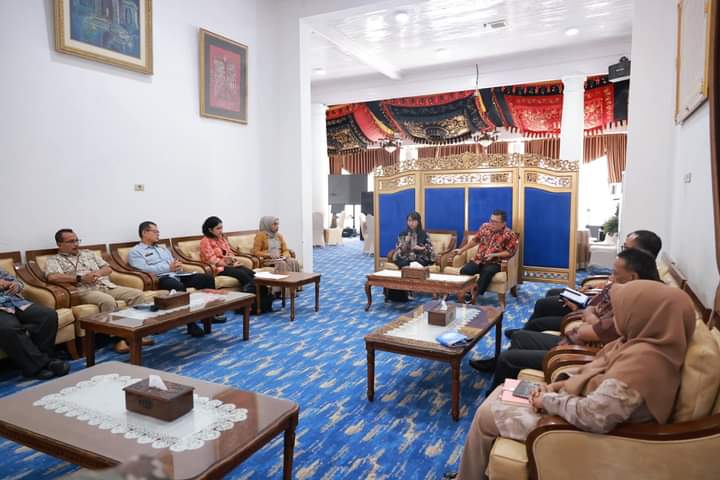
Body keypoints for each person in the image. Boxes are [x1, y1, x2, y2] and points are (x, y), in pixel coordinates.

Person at [446, 280, 696, 479]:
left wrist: (548, 400)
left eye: (624, 310)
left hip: (578, 431)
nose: (618, 315)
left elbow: (594, 416)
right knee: (504, 390)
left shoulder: (645, 364)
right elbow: (593, 373)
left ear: (643, 315)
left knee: (486, 413)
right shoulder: (639, 344)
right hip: (571, 405)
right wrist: (555, 386)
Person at [472, 248, 662, 387]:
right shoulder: (632, 291)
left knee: (509, 357)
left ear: (632, 277)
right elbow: (596, 309)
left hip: (581, 351)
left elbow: (592, 330)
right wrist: (590, 311)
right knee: (521, 336)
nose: (610, 277)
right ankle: (498, 366)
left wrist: (588, 313)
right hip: (576, 334)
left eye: (614, 273)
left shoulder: (636, 305)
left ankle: (495, 394)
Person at [518, 229, 663, 333]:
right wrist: (590, 290)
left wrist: (581, 309)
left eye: (626, 248)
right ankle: (526, 331)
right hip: (591, 303)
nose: (623, 251)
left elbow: (606, 324)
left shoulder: (638, 289)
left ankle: (526, 332)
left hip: (589, 314)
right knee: (550, 297)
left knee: (543, 309)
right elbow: (607, 289)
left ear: (642, 252)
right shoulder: (634, 272)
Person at [45, 229, 149, 353]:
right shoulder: (54, 260)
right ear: (59, 244)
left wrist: (97, 273)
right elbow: (53, 277)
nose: (76, 244)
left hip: (106, 285)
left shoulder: (88, 253)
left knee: (137, 294)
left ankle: (136, 334)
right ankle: (118, 339)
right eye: (71, 241)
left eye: (77, 240)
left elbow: (108, 268)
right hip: (84, 290)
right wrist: (80, 278)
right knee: (108, 301)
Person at [128, 221, 215, 337]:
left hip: (177, 275)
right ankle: (190, 324)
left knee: (207, 279)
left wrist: (178, 266)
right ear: (144, 233)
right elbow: (144, 269)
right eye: (155, 232)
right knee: (178, 287)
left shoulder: (162, 249)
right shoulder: (136, 252)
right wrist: (168, 268)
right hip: (161, 279)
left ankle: (208, 316)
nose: (158, 234)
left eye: (158, 232)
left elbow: (173, 262)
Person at [0, 268, 70, 380]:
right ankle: (39, 367)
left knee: (48, 315)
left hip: (15, 303)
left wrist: (15, 285)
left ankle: (44, 359)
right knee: (9, 328)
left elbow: (18, 282)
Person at [453, 210, 518, 301]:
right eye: (491, 220)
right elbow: (475, 240)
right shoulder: (484, 227)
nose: (491, 223)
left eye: (495, 222)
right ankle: (466, 292)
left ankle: (474, 295)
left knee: (486, 272)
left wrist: (494, 254)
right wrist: (461, 250)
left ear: (503, 223)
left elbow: (510, 252)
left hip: (495, 262)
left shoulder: (509, 234)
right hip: (479, 259)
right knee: (465, 270)